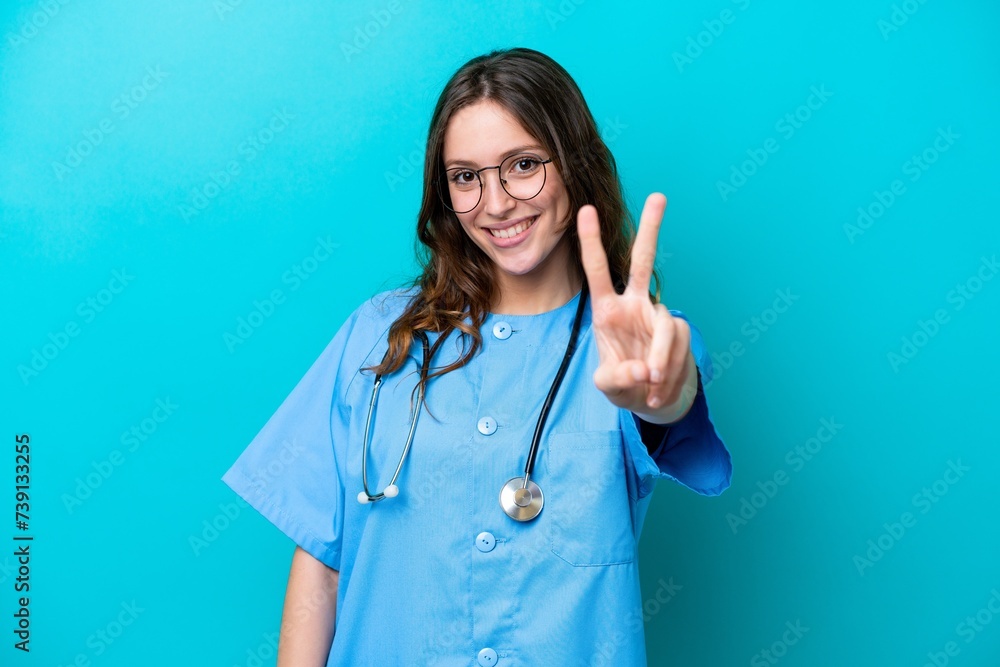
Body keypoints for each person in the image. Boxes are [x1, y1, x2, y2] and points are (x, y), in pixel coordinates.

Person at [222, 46, 732, 666]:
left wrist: (662, 396)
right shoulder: (378, 335)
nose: (495, 205)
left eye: (522, 165)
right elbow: (322, 564)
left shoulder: (642, 342)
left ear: (575, 163)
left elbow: (667, 402)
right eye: (466, 176)